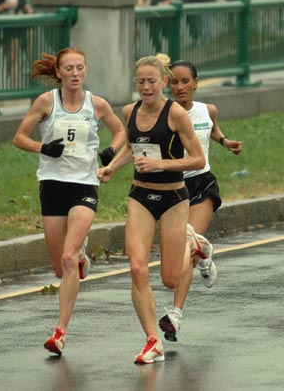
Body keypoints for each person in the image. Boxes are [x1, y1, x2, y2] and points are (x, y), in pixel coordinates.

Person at [13, 48, 126, 357]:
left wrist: (110, 152)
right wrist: (43, 147)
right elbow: (19, 137)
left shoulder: (97, 104)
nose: (75, 74)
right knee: (60, 269)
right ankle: (79, 262)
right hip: (52, 186)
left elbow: (121, 132)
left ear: (85, 71)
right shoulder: (47, 102)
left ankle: (60, 332)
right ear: (59, 73)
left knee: (67, 257)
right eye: (69, 69)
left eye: (80, 68)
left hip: (84, 187)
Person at [96, 53, 206, 364]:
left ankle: (193, 243)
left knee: (171, 279)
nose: (146, 87)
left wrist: (160, 163)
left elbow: (197, 159)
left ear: (164, 83)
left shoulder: (176, 115)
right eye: (141, 82)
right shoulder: (130, 111)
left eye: (152, 82)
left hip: (173, 198)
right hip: (140, 196)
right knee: (137, 268)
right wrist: (113, 168)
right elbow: (132, 147)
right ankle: (152, 340)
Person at [158, 59, 242, 343]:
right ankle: (205, 251)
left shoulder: (208, 110)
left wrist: (225, 141)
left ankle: (175, 315)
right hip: (172, 187)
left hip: (202, 184)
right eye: (174, 82)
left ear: (196, 83)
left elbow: (212, 129)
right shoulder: (163, 113)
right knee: (189, 246)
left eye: (185, 82)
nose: (180, 87)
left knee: (186, 247)